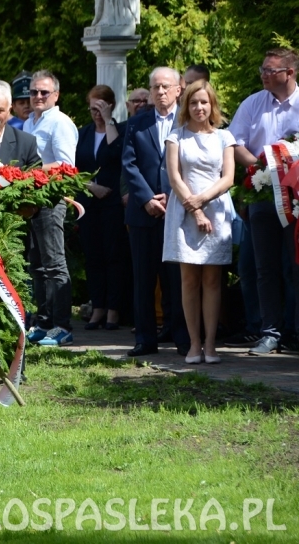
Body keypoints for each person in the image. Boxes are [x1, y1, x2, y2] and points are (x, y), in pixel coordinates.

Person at [228, 48, 299, 355]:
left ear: (290, 73)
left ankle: (294, 331)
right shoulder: (253, 103)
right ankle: (269, 331)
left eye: (271, 70)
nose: (264, 75)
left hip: (296, 197)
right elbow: (234, 143)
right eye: (263, 69)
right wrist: (261, 168)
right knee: (264, 267)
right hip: (261, 194)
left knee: (295, 266)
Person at [162, 80, 235, 364]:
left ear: (212, 104)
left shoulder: (224, 137)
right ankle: (194, 344)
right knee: (189, 280)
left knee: (213, 280)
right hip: (184, 212)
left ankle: (211, 344)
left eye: (204, 102)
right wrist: (196, 210)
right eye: (193, 102)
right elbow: (175, 178)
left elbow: (228, 178)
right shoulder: (176, 137)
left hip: (216, 210)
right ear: (186, 106)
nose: (199, 107)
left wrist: (203, 200)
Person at [122, 66, 189, 357]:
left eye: (165, 86)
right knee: (143, 280)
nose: (160, 92)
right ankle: (145, 339)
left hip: (177, 211)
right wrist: (147, 198)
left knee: (177, 279)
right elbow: (129, 164)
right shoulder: (137, 123)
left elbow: (194, 164)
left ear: (178, 89)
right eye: (155, 87)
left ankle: (182, 338)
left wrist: (174, 196)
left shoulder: (188, 122)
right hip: (143, 214)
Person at [22, 69, 78, 347]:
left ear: (56, 95)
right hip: (31, 201)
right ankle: (44, 323)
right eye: (34, 92)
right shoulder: (28, 122)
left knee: (55, 264)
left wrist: (28, 171)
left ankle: (62, 326)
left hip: (52, 199)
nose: (38, 96)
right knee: (37, 265)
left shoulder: (60, 122)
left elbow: (67, 166)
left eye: (44, 92)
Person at [75, 85, 127, 331]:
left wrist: (108, 121)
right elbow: (73, 167)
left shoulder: (119, 130)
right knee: (93, 255)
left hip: (112, 202)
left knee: (114, 255)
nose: (96, 113)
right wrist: (90, 186)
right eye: (93, 108)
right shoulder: (83, 134)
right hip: (88, 201)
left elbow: (117, 153)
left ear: (110, 106)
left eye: (101, 108)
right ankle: (98, 307)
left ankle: (114, 309)